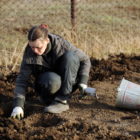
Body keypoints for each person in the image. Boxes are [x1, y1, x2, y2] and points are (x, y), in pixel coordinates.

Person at [10, 24, 91, 119]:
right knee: (51, 80)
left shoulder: (61, 45)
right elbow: (22, 80)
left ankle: (62, 100)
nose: (35, 51)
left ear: (47, 41)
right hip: (47, 85)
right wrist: (18, 106)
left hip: (68, 83)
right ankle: (50, 100)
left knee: (71, 57)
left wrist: (83, 81)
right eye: (32, 47)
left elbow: (85, 59)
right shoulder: (29, 53)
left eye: (38, 47)